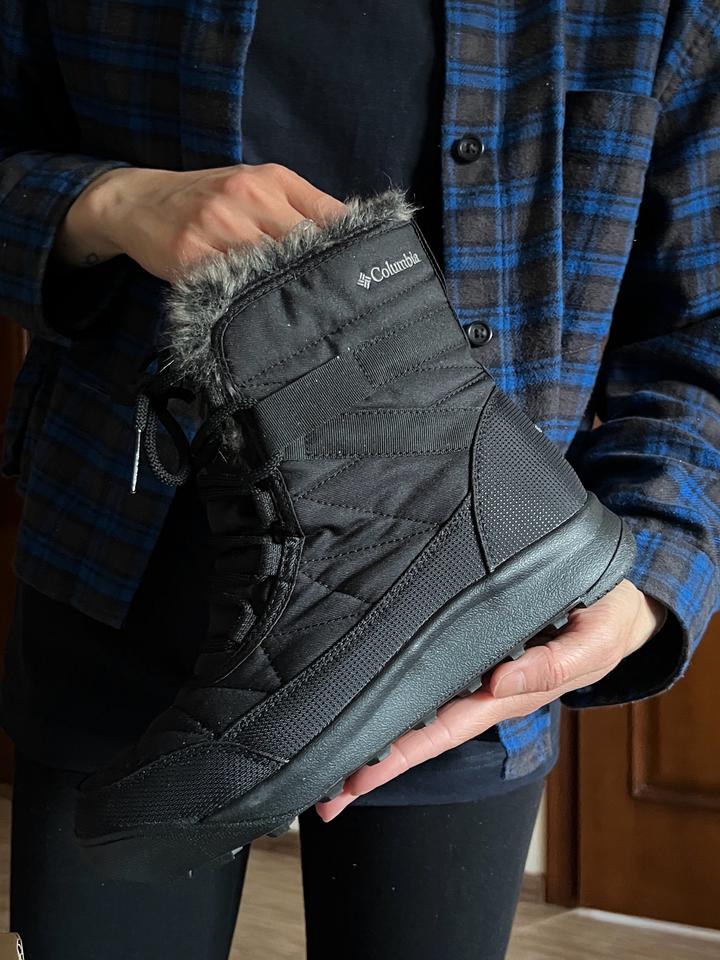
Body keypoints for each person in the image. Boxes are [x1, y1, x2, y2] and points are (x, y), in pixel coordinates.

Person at [0, 2, 718, 959]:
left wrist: (651, 578)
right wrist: (109, 203)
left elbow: (705, 324)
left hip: (467, 627)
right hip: (115, 592)